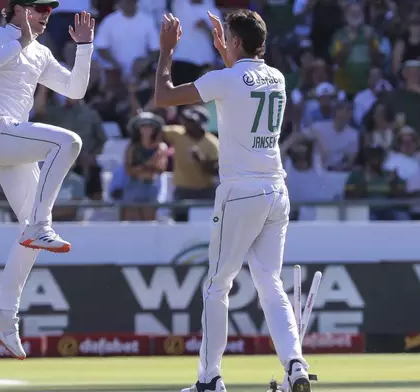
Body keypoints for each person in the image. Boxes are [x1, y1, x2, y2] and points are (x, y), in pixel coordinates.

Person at [153, 9, 311, 392]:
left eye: (227, 35)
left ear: (235, 41)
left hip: (241, 191)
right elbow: (244, 81)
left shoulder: (223, 79)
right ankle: (295, 364)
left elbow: (162, 96)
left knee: (217, 285)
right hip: (276, 189)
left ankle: (210, 378)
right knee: (270, 282)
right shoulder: (276, 77)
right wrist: (230, 54)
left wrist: (166, 51)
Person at [0, 0, 95, 359]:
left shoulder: (39, 52)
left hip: (14, 145)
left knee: (32, 233)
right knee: (68, 141)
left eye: (48, 11)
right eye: (38, 9)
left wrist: (84, 48)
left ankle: (4, 313)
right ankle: (39, 224)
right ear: (18, 8)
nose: (44, 16)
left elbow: (75, 89)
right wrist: (19, 33)